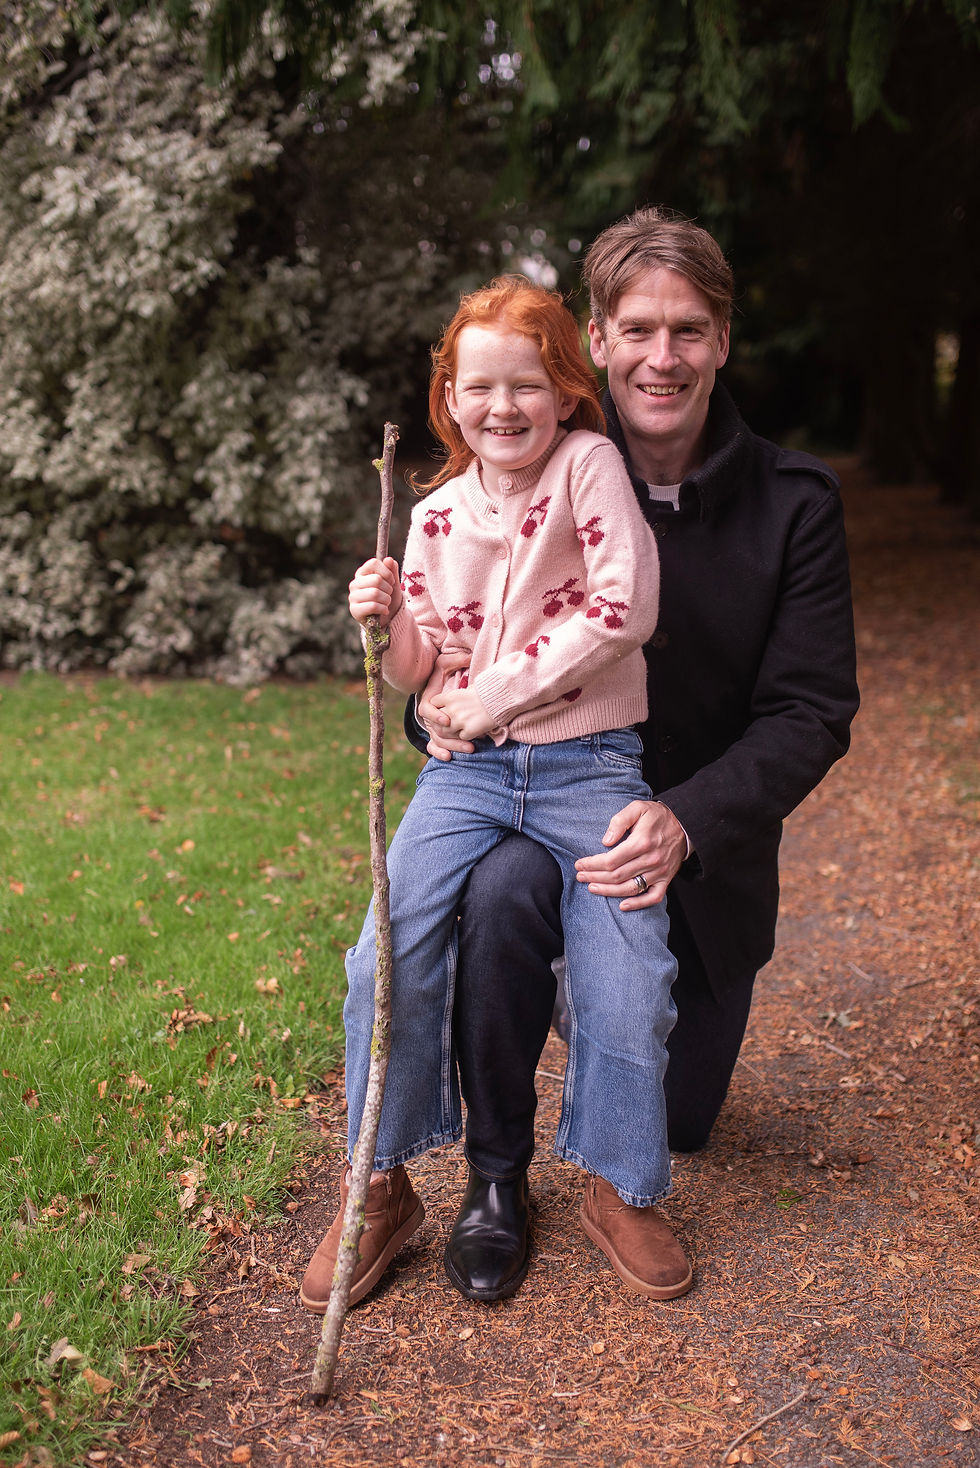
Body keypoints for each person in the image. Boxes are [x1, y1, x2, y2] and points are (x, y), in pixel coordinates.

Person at [413, 207, 860, 1303]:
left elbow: (810, 710)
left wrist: (687, 819)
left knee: (685, 1117)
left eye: (690, 330)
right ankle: (495, 1174)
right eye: (638, 328)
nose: (664, 356)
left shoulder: (792, 504)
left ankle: (613, 1106)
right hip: (536, 797)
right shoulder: (527, 458)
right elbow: (448, 627)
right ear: (596, 344)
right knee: (505, 885)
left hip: (689, 851)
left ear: (720, 341)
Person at [300, 275, 695, 1317]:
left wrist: (486, 695)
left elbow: (624, 606)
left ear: (566, 389)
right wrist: (383, 626)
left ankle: (622, 1183)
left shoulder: (588, 466)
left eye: (526, 384)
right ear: (448, 396)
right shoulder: (431, 515)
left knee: (625, 968)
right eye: (479, 388)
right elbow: (423, 670)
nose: (502, 407)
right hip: (463, 776)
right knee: (381, 953)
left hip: (587, 766)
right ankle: (380, 1183)